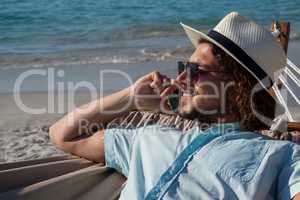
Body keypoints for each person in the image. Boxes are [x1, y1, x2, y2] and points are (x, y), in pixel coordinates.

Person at [49, 12, 300, 199]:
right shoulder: (147, 138)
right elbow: (63, 135)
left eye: (194, 70)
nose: (181, 79)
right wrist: (131, 98)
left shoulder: (280, 156)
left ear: (238, 87)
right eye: (182, 67)